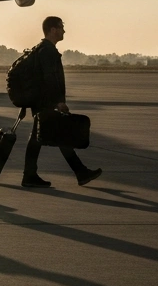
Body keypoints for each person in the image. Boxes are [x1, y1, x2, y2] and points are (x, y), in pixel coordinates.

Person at [21, 16, 101, 189]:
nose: (64, 30)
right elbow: (50, 79)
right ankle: (79, 172)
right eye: (61, 27)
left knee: (46, 138)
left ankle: (31, 175)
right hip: (46, 103)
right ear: (52, 30)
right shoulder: (47, 51)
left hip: (41, 102)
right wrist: (58, 102)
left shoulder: (43, 49)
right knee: (59, 136)